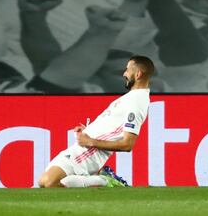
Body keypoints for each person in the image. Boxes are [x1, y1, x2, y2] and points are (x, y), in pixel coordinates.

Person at [38, 55, 154, 188]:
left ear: (138, 74)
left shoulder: (137, 102)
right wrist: (87, 131)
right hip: (84, 148)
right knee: (44, 182)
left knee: (48, 182)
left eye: (127, 70)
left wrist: (91, 141)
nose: (124, 73)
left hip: (91, 152)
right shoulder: (130, 98)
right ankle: (99, 179)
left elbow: (127, 144)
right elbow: (111, 127)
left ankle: (103, 180)